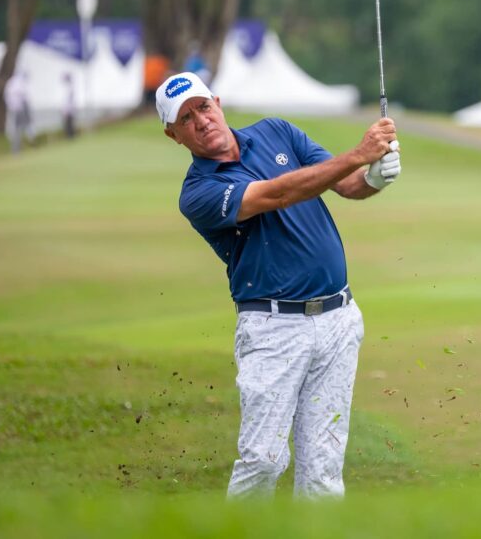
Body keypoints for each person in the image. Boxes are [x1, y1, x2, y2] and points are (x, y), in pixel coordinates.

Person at [156, 72, 401, 499]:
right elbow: (276, 194)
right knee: (263, 461)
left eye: (203, 107)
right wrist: (358, 154)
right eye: (187, 118)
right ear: (173, 134)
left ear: (217, 102)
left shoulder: (276, 131)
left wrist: (374, 177)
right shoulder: (198, 192)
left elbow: (343, 184)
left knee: (323, 471)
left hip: (339, 320)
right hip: (273, 330)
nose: (202, 120)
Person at [4, 71, 33, 154]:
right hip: (18, 109)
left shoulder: (10, 83)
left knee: (20, 129)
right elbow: (24, 96)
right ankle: (18, 148)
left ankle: (19, 147)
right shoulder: (17, 83)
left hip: (14, 109)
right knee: (19, 129)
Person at [63, 72, 77, 139]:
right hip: (69, 109)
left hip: (69, 109)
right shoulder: (68, 87)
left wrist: (67, 109)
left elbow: (69, 100)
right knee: (68, 124)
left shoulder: (70, 87)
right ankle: (70, 136)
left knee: (69, 124)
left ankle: (71, 136)